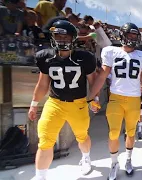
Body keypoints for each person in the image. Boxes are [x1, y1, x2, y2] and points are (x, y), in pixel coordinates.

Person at [28, 20, 99, 180]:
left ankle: (86, 157)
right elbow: (43, 83)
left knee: (82, 136)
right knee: (45, 139)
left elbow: (93, 81)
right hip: (55, 103)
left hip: (78, 103)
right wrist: (34, 104)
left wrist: (95, 98)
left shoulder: (85, 57)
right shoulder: (46, 56)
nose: (61, 40)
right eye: (58, 36)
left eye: (65, 37)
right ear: (52, 37)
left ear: (73, 38)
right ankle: (40, 176)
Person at [87, 22, 142, 180]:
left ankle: (128, 160)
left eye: (134, 36)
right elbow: (102, 76)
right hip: (116, 98)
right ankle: (114, 163)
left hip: (133, 99)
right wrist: (91, 97)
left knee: (131, 133)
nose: (132, 38)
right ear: (123, 36)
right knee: (113, 133)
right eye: (130, 35)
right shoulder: (111, 51)